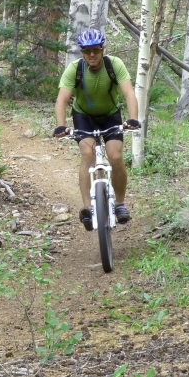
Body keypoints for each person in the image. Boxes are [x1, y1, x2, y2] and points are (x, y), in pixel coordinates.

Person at [52, 29, 140, 229]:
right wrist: (60, 125)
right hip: (84, 117)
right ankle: (87, 208)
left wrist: (132, 119)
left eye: (96, 50)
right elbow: (62, 99)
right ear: (82, 52)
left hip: (110, 115)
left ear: (102, 50)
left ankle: (119, 204)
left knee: (115, 157)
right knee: (87, 155)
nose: (92, 54)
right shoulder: (74, 69)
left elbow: (129, 93)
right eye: (87, 51)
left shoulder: (114, 65)